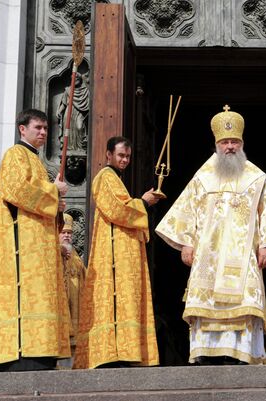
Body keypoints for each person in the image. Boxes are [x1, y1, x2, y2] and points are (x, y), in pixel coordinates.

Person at [156, 105, 266, 365]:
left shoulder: (256, 177)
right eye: (225, 142)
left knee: (243, 305)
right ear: (216, 144)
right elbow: (187, 210)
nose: (229, 146)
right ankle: (207, 353)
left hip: (243, 258)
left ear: (242, 144)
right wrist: (186, 243)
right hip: (208, 257)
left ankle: (240, 353)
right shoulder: (202, 177)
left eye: (234, 141)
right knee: (207, 305)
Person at [0, 108, 71, 371]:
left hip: (40, 247)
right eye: (38, 127)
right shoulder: (16, 154)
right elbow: (15, 190)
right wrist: (53, 191)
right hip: (23, 250)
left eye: (46, 128)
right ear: (22, 129)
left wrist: (57, 208)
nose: (43, 132)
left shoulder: (36, 161)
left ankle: (43, 351)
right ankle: (26, 354)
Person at [74, 136, 161, 369]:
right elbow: (117, 209)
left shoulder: (116, 179)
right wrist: (142, 202)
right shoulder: (104, 177)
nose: (124, 160)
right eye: (121, 155)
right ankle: (111, 352)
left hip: (122, 251)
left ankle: (125, 350)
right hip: (111, 254)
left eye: (128, 157)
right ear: (108, 154)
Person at [56, 212, 87, 369]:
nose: (67, 236)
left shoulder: (76, 256)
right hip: (61, 308)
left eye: (69, 233)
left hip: (76, 310)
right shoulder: (52, 252)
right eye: (63, 233)